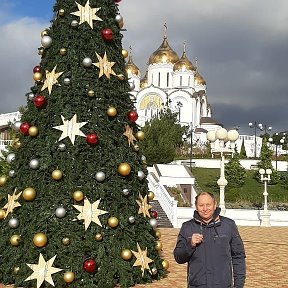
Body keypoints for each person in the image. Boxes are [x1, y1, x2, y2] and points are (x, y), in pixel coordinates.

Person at [173, 192, 246, 288]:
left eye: (208, 205)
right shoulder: (187, 227)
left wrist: (239, 285)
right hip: (197, 285)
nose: (205, 209)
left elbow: (238, 256)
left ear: (215, 205)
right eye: (201, 205)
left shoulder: (228, 225)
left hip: (223, 285)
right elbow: (179, 258)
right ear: (196, 206)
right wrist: (190, 244)